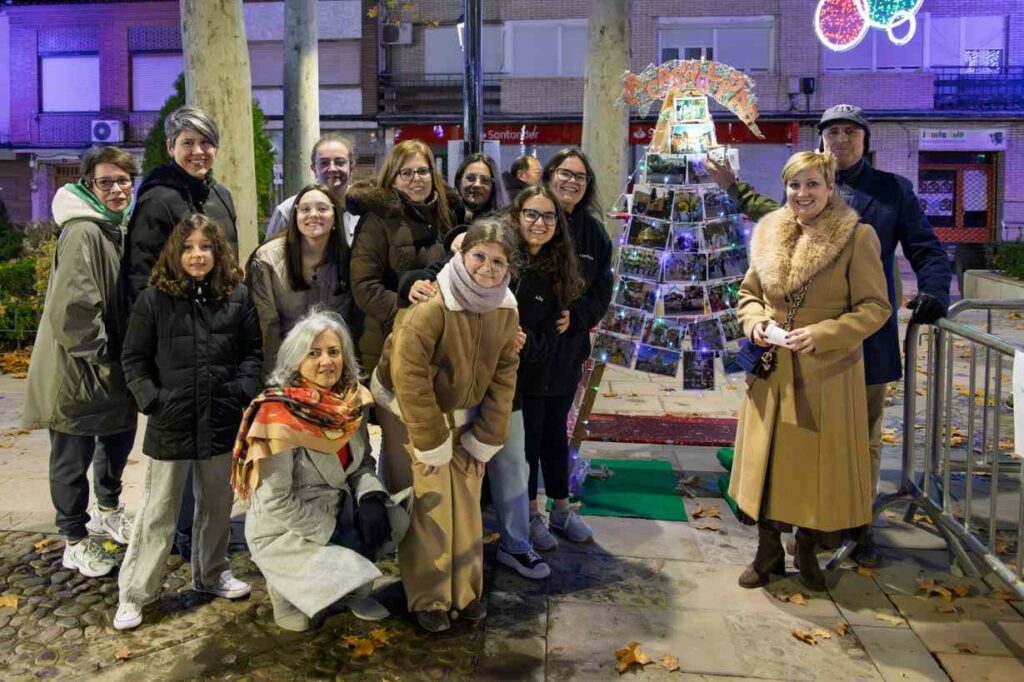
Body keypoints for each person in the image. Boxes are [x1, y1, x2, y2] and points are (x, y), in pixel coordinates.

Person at [706, 104, 952, 567]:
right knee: (799, 439)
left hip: (863, 339)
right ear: (821, 141)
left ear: (865, 139)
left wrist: (935, 291)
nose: (841, 139)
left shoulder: (890, 191)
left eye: (850, 132)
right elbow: (774, 217)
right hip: (794, 347)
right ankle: (804, 525)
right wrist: (733, 188)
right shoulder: (803, 189)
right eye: (832, 131)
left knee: (861, 439)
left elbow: (925, 247)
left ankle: (856, 526)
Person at [730, 151, 891, 591]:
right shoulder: (767, 234)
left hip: (826, 372)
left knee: (813, 468)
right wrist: (755, 321)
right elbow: (748, 293)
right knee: (768, 462)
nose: (802, 194)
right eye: (794, 185)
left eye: (812, 184)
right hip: (772, 368)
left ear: (830, 187)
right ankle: (766, 552)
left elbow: (876, 307)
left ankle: (805, 546)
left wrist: (824, 333)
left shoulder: (857, 238)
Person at [370, 217, 520, 633]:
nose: (487, 268)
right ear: (461, 254)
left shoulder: (505, 309)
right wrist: (431, 441)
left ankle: (465, 591)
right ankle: (430, 596)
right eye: (479, 257)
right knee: (430, 501)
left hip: (462, 413)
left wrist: (485, 438)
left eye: (498, 262)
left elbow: (505, 373)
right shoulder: (433, 304)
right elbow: (409, 374)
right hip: (411, 411)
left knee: (467, 500)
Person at [115, 214, 261, 631]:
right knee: (158, 512)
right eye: (189, 247)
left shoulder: (237, 296)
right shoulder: (154, 299)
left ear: (218, 252)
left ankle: (212, 574)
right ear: (175, 253)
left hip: (220, 420)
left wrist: (240, 391)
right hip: (172, 421)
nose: (198, 255)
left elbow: (252, 352)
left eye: (206, 247)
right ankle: (136, 592)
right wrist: (153, 401)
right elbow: (134, 360)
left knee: (217, 506)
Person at [236, 308, 412, 631]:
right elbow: (277, 502)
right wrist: (333, 532)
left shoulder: (348, 403)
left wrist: (371, 496)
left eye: (333, 352)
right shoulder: (278, 415)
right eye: (313, 353)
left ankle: (352, 590)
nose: (326, 361)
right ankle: (284, 592)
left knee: (396, 517)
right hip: (286, 528)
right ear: (295, 360)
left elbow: (361, 464)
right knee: (307, 613)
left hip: (338, 509)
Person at [123, 105, 238, 560]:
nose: (198, 150)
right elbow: (138, 278)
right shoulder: (158, 199)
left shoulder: (220, 195)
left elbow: (230, 262)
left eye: (205, 142)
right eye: (188, 142)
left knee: (211, 444)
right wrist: (149, 356)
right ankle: (176, 532)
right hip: (172, 342)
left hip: (216, 337)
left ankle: (205, 536)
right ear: (171, 148)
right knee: (177, 452)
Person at [22, 146, 139, 577]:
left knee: (114, 441)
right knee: (73, 456)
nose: (116, 189)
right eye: (105, 181)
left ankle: (108, 510)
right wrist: (106, 356)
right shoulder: (84, 231)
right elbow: (74, 311)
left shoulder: (114, 228)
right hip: (79, 371)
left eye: (123, 180)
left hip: (107, 369)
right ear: (88, 185)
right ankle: (73, 538)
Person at [494, 184, 581, 578]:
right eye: (531, 213)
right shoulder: (497, 252)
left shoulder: (559, 270)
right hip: (474, 371)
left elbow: (552, 335)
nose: (539, 223)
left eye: (548, 216)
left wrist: (526, 341)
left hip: (521, 380)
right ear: (517, 215)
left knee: (519, 457)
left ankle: (520, 535)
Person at [528, 148, 613, 549]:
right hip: (527, 352)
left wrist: (576, 318)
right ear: (549, 175)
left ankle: (560, 509)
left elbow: (602, 292)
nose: (572, 182)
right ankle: (528, 515)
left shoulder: (594, 233)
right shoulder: (531, 219)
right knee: (528, 435)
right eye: (566, 173)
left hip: (567, 352)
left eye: (581, 177)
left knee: (556, 435)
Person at [348, 139, 464, 374]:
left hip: (441, 337)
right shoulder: (377, 218)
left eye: (422, 171)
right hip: (389, 337)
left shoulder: (447, 212)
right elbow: (364, 286)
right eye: (406, 173)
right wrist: (406, 312)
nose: (416, 179)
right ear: (393, 178)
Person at [246, 183, 357, 379]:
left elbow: (350, 327)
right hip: (284, 368)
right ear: (295, 216)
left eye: (322, 208)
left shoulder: (349, 260)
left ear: (336, 217)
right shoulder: (267, 259)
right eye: (305, 209)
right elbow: (267, 328)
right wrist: (274, 381)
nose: (313, 214)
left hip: (332, 370)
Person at [264, 133, 358, 243]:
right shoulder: (287, 211)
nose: (332, 168)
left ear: (352, 167)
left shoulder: (366, 210)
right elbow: (268, 256)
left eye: (340, 162)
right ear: (314, 168)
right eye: (324, 163)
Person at [454, 152, 508, 220]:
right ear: (459, 181)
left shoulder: (505, 222)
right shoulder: (445, 217)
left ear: (494, 186)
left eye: (485, 180)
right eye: (471, 178)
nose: (477, 185)